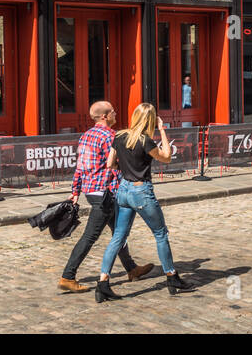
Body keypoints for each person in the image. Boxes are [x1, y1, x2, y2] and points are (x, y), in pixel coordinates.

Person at [95, 103, 192, 300]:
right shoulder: (145, 141)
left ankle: (103, 282)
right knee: (160, 233)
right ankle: (171, 277)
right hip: (141, 191)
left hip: (123, 189)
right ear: (150, 121)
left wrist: (125, 165)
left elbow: (109, 164)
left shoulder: (120, 136)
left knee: (118, 238)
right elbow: (166, 157)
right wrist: (163, 129)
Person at [58, 101, 154, 293]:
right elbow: (118, 164)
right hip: (105, 193)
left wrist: (76, 191)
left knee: (119, 232)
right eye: (112, 112)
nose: (115, 113)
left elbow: (80, 166)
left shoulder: (86, 136)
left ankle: (131, 268)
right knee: (90, 236)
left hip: (92, 191)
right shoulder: (111, 136)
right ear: (104, 116)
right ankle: (68, 276)